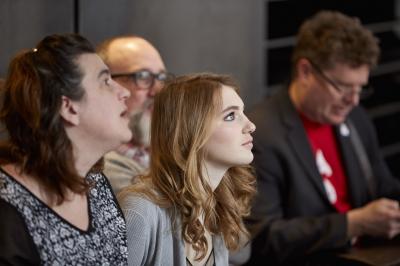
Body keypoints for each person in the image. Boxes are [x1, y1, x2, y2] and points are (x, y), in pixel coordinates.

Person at [245, 10, 400, 266]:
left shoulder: (355, 118)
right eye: (343, 87)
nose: (354, 100)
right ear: (305, 71)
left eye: (359, 88)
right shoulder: (259, 133)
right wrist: (352, 224)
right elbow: (263, 237)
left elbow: (381, 186)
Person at [0, 33, 131, 265]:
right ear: (69, 108)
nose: (124, 92)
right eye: (106, 81)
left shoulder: (96, 185)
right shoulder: (7, 208)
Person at [119, 73, 257, 265]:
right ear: (190, 130)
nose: (251, 126)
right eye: (231, 116)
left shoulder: (216, 203)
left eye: (243, 113)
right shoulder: (139, 210)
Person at [96, 36, 170, 193]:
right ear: (105, 83)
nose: (158, 91)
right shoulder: (103, 165)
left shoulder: (165, 151)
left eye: (162, 78)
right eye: (143, 76)